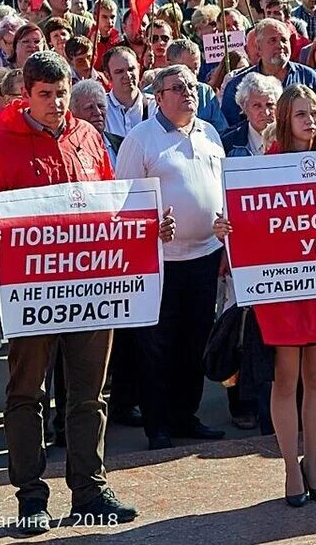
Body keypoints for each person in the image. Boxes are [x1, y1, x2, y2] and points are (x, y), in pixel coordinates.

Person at [0, 52, 159, 533]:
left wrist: (150, 227)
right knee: (28, 392)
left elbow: (114, 206)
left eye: (61, 93)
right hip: (32, 294)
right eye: (45, 95)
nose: (55, 103)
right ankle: (31, 496)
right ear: (25, 95)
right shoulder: (1, 146)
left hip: (91, 288)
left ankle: (89, 489)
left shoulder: (89, 137)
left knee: (90, 394)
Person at [213, 86, 316, 505]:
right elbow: (249, 222)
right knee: (285, 380)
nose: (310, 121)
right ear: (286, 120)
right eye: (300, 114)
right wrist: (227, 230)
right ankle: (291, 468)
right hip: (284, 290)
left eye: (314, 114)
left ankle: (315, 464)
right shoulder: (265, 166)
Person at [116, 65, 226, 449]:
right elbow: (125, 202)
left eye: (191, 87)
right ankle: (158, 423)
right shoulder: (141, 139)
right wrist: (150, 229)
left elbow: (223, 190)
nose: (187, 94)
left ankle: (186, 415)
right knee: (158, 344)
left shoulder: (210, 133)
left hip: (206, 255)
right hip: (161, 260)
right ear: (158, 97)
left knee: (194, 341)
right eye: (177, 88)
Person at [221, 20, 316, 127]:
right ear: (259, 48)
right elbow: (231, 129)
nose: (280, 45)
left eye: (284, 40)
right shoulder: (238, 85)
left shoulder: (309, 78)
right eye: (273, 40)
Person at [222, 71, 283, 156]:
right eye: (257, 106)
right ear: (244, 107)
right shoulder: (229, 144)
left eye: (270, 105)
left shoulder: (291, 138)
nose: (266, 112)